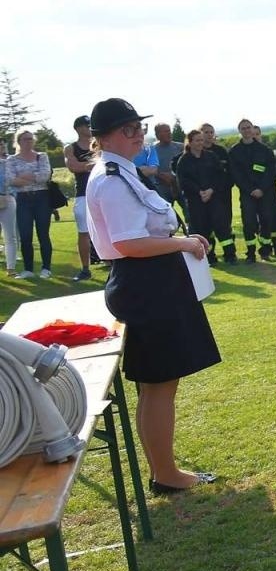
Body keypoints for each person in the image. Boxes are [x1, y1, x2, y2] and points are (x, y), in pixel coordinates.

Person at [85, 98, 220, 494]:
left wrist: (179, 242)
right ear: (103, 137)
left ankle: (165, 469)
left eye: (138, 127)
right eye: (127, 129)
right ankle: (166, 473)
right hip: (146, 286)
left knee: (159, 383)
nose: (137, 133)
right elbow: (130, 243)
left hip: (152, 283)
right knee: (159, 383)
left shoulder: (122, 173)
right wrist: (182, 243)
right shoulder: (111, 178)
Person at [227, 118, 276, 261]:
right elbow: (236, 174)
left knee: (266, 220)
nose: (247, 130)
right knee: (249, 222)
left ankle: (265, 250)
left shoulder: (264, 150)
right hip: (247, 194)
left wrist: (261, 188)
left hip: (264, 192)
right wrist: (250, 189)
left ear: (253, 129)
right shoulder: (235, 151)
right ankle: (251, 252)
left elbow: (270, 171)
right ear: (239, 131)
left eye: (249, 127)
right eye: (243, 128)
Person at [175, 130, 231, 264]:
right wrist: (199, 191)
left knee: (222, 226)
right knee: (202, 228)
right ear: (190, 142)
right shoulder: (184, 161)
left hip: (214, 197)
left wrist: (211, 190)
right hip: (196, 200)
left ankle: (230, 255)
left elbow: (220, 176)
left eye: (201, 140)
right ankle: (209, 257)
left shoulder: (211, 156)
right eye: (197, 140)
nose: (201, 143)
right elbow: (183, 181)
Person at [6, 130, 56, 278]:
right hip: (23, 199)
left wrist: (24, 177)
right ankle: (28, 269)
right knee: (26, 235)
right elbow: (10, 179)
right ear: (18, 141)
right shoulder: (11, 160)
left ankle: (46, 268)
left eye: (30, 139)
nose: (28, 141)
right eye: (25, 139)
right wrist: (34, 177)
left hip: (42, 198)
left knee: (43, 234)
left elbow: (45, 175)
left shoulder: (42, 157)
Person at [65, 115, 97, 281]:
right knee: (83, 231)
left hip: (101, 191)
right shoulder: (70, 148)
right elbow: (73, 167)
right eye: (86, 125)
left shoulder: (99, 144)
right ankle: (85, 269)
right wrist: (92, 166)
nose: (89, 127)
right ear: (78, 128)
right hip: (83, 193)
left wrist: (85, 166)